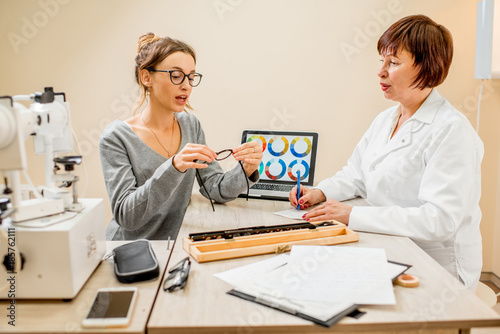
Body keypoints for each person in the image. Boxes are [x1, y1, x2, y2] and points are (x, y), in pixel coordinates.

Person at [289, 15, 483, 291]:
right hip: (388, 244)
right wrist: (320, 192)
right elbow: (356, 175)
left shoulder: (452, 130)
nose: (381, 72)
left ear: (427, 67)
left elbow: (439, 220)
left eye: (393, 63)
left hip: (438, 267)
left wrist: (352, 215)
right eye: (382, 61)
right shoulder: (385, 120)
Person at [100, 33, 262, 240]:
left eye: (191, 77)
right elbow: (126, 216)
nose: (186, 85)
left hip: (174, 247)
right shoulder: (116, 137)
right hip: (129, 251)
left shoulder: (190, 125)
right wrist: (174, 167)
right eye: (176, 76)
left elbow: (214, 188)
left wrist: (246, 169)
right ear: (146, 77)